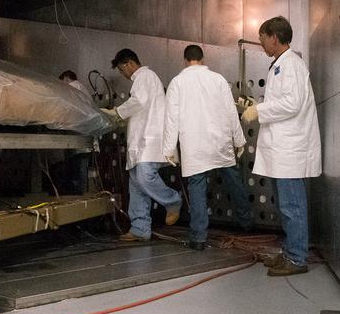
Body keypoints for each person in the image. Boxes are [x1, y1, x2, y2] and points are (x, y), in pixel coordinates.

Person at [240, 17, 320, 276]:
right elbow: (283, 102)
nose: (261, 42)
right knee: (285, 204)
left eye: (262, 37)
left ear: (275, 36)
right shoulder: (280, 66)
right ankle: (289, 252)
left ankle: (297, 259)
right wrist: (256, 105)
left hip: (290, 149)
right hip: (281, 149)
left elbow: (292, 104)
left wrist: (258, 110)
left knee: (292, 205)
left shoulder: (291, 65)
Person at [161, 45, 253, 250]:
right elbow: (231, 112)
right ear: (202, 59)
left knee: (197, 187)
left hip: (194, 145)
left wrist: (169, 149)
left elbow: (171, 118)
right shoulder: (218, 79)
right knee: (233, 180)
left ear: (185, 60)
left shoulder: (177, 82)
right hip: (220, 141)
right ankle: (246, 223)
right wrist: (239, 140)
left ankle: (199, 237)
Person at [104, 49, 181, 242]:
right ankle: (140, 227)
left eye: (122, 70)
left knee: (145, 177)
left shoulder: (144, 75)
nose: (124, 74)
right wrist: (123, 117)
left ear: (129, 63)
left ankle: (172, 200)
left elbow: (139, 101)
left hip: (150, 139)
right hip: (140, 141)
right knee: (137, 185)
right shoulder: (145, 80)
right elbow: (141, 107)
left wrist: (117, 112)